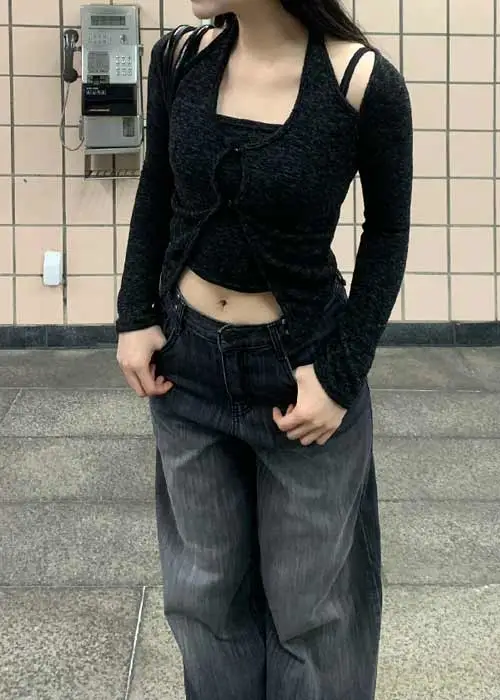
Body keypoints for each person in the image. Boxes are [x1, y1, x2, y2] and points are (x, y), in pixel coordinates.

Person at [116, 0, 412, 698]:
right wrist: (135, 314)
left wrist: (340, 376)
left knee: (315, 611)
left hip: (300, 377)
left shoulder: (362, 83)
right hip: (186, 370)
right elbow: (157, 187)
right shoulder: (182, 60)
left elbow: (388, 234)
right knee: (204, 599)